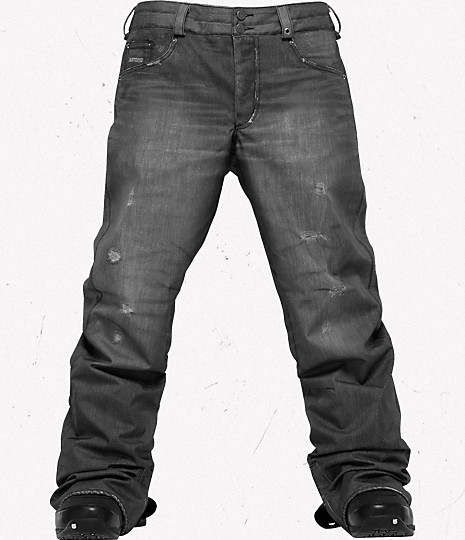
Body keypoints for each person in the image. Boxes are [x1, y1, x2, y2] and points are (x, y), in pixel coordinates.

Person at [50, 1, 415, 538]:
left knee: (333, 284)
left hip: (299, 53)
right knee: (130, 286)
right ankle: (99, 479)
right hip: (169, 55)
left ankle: (366, 473)